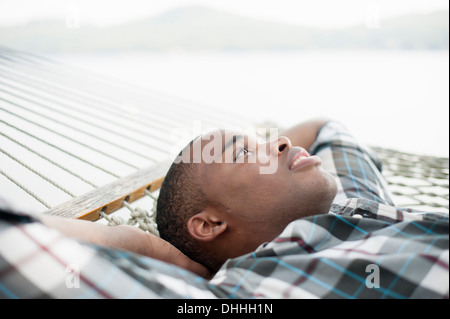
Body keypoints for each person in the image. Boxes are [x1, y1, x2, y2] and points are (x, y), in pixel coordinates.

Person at [3, 118, 448, 298]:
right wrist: (164, 255)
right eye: (244, 152)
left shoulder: (354, 201)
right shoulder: (247, 294)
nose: (282, 142)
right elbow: (17, 243)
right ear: (211, 223)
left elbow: (323, 127)